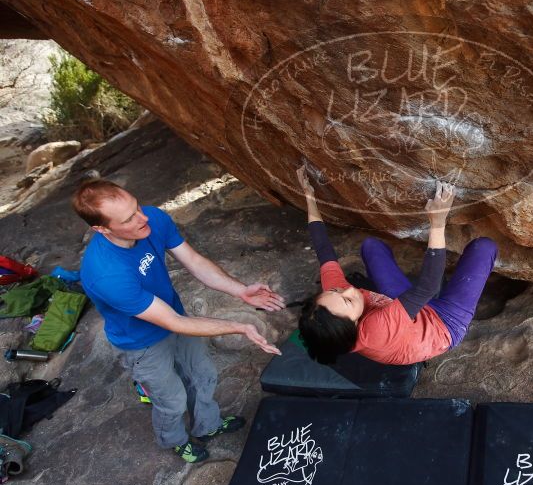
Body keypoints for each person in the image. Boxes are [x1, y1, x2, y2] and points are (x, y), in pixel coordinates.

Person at [72, 179, 285, 464]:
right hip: (141, 341)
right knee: (171, 400)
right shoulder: (106, 273)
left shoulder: (152, 219)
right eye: (129, 218)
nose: (143, 217)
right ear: (102, 229)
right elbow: (171, 322)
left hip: (175, 315)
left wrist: (240, 291)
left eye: (137, 206)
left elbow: (194, 261)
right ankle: (175, 440)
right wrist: (239, 326)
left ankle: (207, 426)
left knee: (203, 374)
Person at [296, 167, 498, 365]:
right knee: (484, 247)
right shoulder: (376, 330)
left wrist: (309, 197)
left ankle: (413, 299)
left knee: (371, 247)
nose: (348, 288)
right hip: (444, 324)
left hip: (399, 307)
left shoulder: (331, 303)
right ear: (355, 325)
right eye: (348, 301)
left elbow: (324, 250)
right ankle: (447, 293)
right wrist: (437, 222)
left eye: (337, 290)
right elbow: (427, 288)